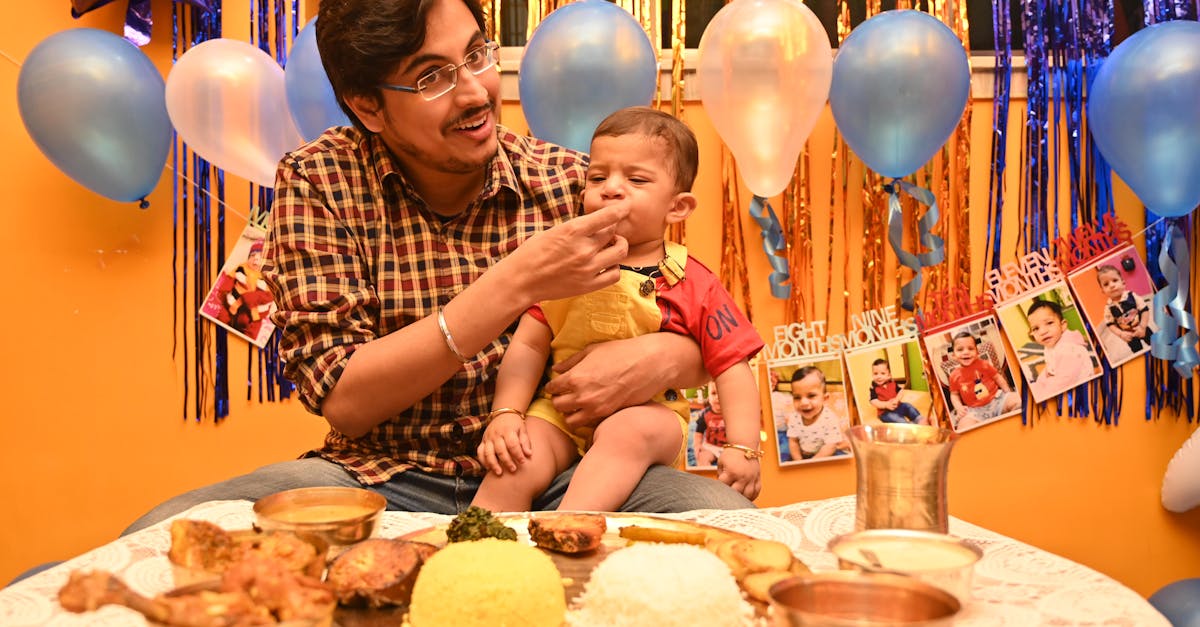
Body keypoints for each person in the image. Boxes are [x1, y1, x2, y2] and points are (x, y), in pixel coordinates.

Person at [122, 0, 753, 535]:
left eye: (477, 55)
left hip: (564, 468)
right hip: (382, 473)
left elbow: (690, 309)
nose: (477, 91)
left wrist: (670, 359)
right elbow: (342, 398)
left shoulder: (568, 181)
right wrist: (516, 281)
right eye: (431, 79)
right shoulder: (320, 181)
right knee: (172, 528)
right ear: (368, 107)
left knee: (726, 526)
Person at [470, 108, 764, 512]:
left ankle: (567, 529)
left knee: (628, 429)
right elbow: (529, 347)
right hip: (561, 414)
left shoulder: (692, 282)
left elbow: (732, 366)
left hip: (653, 418)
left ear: (677, 207)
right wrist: (507, 413)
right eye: (597, 177)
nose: (610, 189)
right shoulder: (565, 266)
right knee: (517, 458)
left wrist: (743, 446)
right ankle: (472, 550)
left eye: (636, 179)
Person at [947, 332, 1019, 430]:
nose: (966, 352)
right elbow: (954, 394)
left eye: (970, 348)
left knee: (1017, 400)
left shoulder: (984, 364)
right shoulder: (954, 375)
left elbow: (998, 377)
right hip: (975, 411)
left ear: (977, 352)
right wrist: (959, 408)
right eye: (960, 349)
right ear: (953, 355)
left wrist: (1008, 392)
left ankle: (1014, 424)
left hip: (997, 401)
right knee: (963, 426)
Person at [1026, 299, 1095, 399]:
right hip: (1063, 378)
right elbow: (1050, 367)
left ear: (1063, 325)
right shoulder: (1050, 345)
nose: (1043, 331)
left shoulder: (1069, 350)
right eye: (1036, 328)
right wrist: (1040, 382)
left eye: (1049, 323)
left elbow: (1063, 382)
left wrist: (1041, 394)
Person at [786, 367, 849, 461]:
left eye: (811, 396)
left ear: (825, 398)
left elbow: (830, 446)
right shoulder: (794, 417)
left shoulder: (830, 419)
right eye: (797, 397)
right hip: (802, 453)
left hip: (825, 455)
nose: (803, 402)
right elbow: (793, 441)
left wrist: (812, 463)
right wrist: (798, 461)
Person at [1095, 264, 1154, 354]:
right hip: (1128, 334)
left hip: (1142, 327)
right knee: (1137, 351)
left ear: (1123, 282)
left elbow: (1145, 310)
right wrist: (1121, 334)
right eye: (1106, 284)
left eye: (1115, 280)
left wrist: (1142, 327)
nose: (1111, 285)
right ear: (1103, 291)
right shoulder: (1108, 308)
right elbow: (1110, 324)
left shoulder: (1132, 296)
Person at [224, 240, 274, 340]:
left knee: (252, 331)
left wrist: (252, 297)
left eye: (260, 257)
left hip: (255, 311)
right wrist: (225, 287)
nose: (255, 259)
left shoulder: (268, 276)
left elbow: (271, 296)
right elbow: (231, 277)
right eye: (252, 255)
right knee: (225, 318)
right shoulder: (242, 267)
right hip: (236, 305)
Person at [867, 358, 928, 425]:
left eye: (882, 373)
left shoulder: (892, 383)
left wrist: (897, 399)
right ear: (872, 375)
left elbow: (900, 391)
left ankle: (918, 418)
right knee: (895, 418)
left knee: (908, 406)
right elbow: (873, 401)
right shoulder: (874, 388)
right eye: (875, 374)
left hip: (898, 406)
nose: (879, 376)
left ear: (889, 375)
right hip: (885, 412)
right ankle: (907, 425)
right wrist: (885, 405)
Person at [693, 381, 728, 468]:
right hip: (710, 447)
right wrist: (697, 446)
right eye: (713, 393)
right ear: (708, 397)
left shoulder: (732, 414)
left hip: (729, 448)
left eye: (722, 393)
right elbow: (698, 433)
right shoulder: (705, 415)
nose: (717, 397)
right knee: (701, 458)